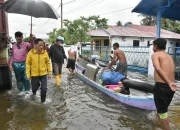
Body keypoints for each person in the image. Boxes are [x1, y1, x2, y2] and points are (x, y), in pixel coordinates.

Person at [152, 38, 177, 130]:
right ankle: (158, 126)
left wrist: (169, 82)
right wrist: (171, 83)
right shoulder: (169, 56)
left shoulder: (155, 54)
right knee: (162, 110)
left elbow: (158, 69)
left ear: (156, 46)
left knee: (162, 112)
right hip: (171, 88)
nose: (152, 48)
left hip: (162, 86)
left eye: (153, 45)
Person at [26, 38, 52, 103]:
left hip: (43, 74)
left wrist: (49, 72)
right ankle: (34, 93)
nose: (42, 47)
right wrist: (28, 74)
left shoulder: (45, 53)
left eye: (42, 45)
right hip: (34, 74)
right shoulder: (30, 53)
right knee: (34, 88)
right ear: (35, 45)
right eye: (40, 45)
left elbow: (48, 62)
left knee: (44, 89)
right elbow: (28, 64)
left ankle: (43, 102)